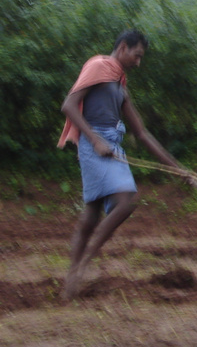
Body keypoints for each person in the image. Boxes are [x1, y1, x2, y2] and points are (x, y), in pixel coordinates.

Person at [58, 30, 186, 299]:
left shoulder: (120, 83)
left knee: (92, 212)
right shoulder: (98, 66)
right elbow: (69, 105)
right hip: (94, 144)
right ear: (124, 47)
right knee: (126, 201)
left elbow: (142, 133)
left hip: (112, 145)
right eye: (137, 55)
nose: (139, 62)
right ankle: (82, 265)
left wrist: (178, 168)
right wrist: (94, 141)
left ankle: (73, 276)